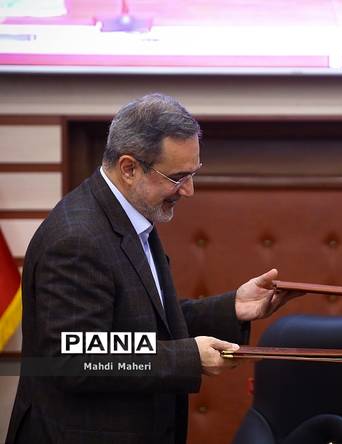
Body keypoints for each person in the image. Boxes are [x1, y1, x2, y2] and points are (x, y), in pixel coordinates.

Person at [7, 93, 294, 444]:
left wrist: (232, 307)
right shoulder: (76, 239)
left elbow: (145, 324)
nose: (188, 190)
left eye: (193, 174)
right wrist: (187, 358)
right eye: (178, 177)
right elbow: (78, 356)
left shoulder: (132, 214)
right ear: (129, 168)